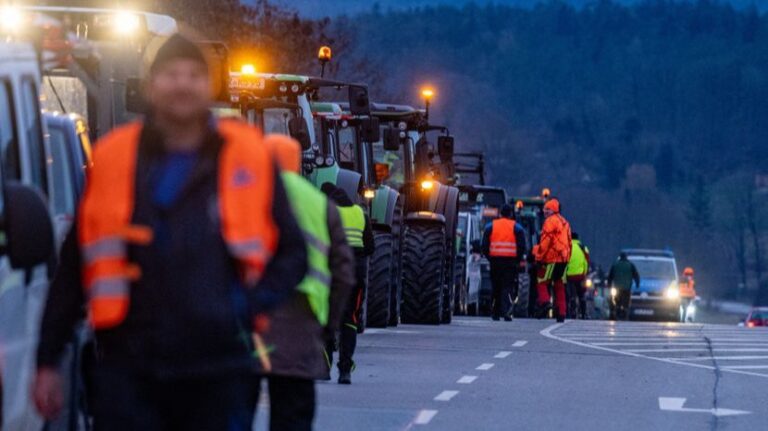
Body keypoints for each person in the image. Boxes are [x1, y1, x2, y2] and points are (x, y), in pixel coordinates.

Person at [33, 34, 307, 430]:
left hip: (219, 367)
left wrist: (247, 304)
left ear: (209, 86)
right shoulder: (113, 156)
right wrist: (48, 360)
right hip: (129, 366)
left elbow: (293, 253)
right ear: (150, 85)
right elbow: (75, 268)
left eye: (194, 74)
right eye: (171, 74)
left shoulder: (247, 156)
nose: (182, 83)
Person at [259, 135, 355, 430]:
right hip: (301, 322)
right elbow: (343, 274)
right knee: (292, 415)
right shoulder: (320, 205)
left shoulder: (243, 193)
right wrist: (328, 326)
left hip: (247, 322)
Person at [322, 183, 375, 384]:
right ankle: (345, 370)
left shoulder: (326, 212)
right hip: (355, 273)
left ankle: (324, 366)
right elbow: (370, 247)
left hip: (331, 272)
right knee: (349, 320)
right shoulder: (360, 213)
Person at [482, 204, 528, 321]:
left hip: (495, 261)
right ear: (511, 214)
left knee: (496, 286)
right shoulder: (517, 227)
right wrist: (517, 260)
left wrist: (490, 257)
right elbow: (522, 246)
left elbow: (485, 245)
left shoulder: (490, 226)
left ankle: (495, 312)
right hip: (510, 262)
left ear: (500, 214)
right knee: (507, 287)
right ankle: (506, 311)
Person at [534, 198, 572, 323]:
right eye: (544, 209)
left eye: (547, 209)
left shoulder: (549, 222)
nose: (545, 212)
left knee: (542, 281)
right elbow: (569, 242)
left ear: (553, 210)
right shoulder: (565, 222)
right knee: (559, 286)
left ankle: (545, 302)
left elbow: (545, 242)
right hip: (563, 260)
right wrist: (568, 258)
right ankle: (561, 313)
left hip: (551, 259)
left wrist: (539, 257)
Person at [607, 252, 640, 320]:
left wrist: (609, 284)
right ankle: (625, 311)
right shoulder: (630, 265)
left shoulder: (615, 264)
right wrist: (637, 283)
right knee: (626, 302)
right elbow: (636, 275)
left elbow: (610, 276)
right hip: (627, 288)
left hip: (617, 287)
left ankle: (617, 310)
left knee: (616, 300)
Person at [566, 232, 590, 319]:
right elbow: (586, 262)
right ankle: (583, 313)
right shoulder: (583, 247)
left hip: (569, 276)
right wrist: (585, 273)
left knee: (571, 295)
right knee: (581, 295)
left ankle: (572, 312)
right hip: (580, 276)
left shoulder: (567, 247)